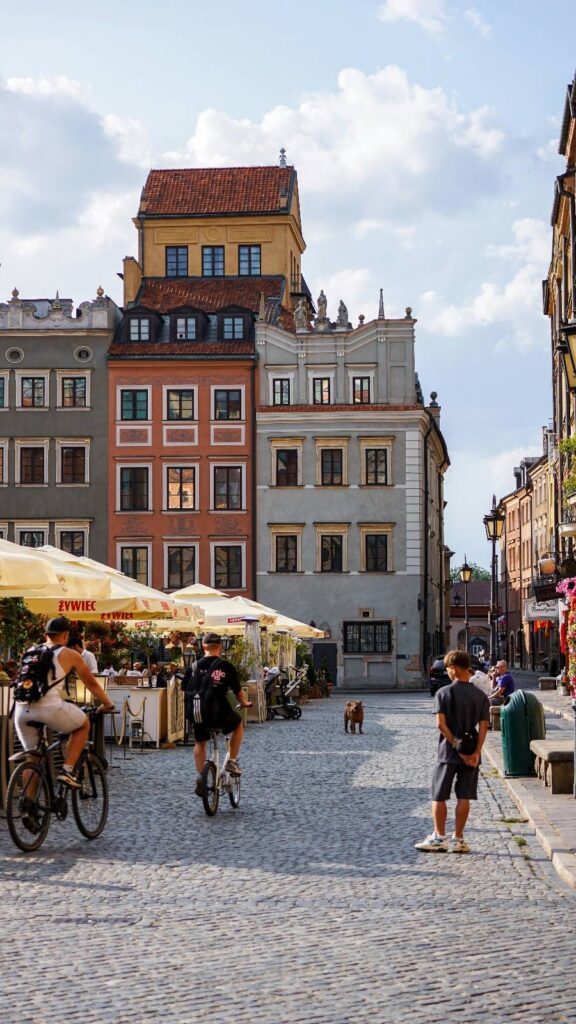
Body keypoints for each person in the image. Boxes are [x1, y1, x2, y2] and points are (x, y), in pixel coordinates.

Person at [13, 616, 115, 788]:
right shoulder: (70, 654)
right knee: (82, 725)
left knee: (32, 758)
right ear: (66, 635)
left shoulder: (30, 651)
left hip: (21, 710)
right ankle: (67, 770)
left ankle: (28, 808)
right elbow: (91, 683)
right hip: (50, 708)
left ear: (45, 634)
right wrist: (107, 704)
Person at [415, 649, 490, 854]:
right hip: (472, 749)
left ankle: (439, 837)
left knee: (439, 795)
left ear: (454, 669)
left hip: (448, 751)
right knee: (464, 795)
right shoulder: (480, 696)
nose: (447, 672)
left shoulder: (443, 693)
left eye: (448, 668)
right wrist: (475, 752)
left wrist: (456, 745)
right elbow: (484, 727)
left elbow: (441, 724)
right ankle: (458, 839)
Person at [185, 632, 251, 793]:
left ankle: (201, 775)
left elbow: (185, 690)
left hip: (197, 714)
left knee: (200, 742)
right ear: (220, 647)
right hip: (218, 713)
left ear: (203, 646)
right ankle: (232, 762)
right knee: (238, 725)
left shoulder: (192, 667)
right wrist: (244, 703)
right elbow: (238, 692)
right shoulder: (226, 666)